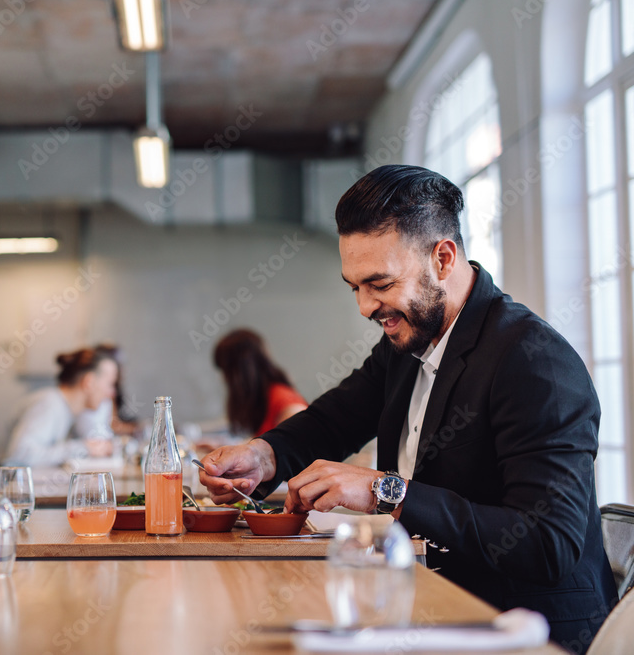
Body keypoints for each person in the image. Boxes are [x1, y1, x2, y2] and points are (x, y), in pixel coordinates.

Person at [198, 165, 616, 653]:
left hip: (524, 633)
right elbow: (334, 419)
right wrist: (264, 455)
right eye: (354, 286)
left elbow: (547, 542)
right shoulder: (407, 341)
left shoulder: (534, 361)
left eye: (379, 283)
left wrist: (385, 491)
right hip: (427, 611)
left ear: (442, 258)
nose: (364, 307)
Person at [2, 346, 118, 466]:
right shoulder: (49, 404)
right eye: (110, 384)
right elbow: (19, 455)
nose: (112, 393)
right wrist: (82, 448)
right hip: (10, 484)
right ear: (89, 382)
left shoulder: (64, 409)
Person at [213, 329, 308, 437]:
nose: (223, 379)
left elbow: (295, 446)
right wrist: (222, 448)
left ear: (240, 370)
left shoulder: (285, 402)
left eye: (225, 371)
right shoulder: (264, 399)